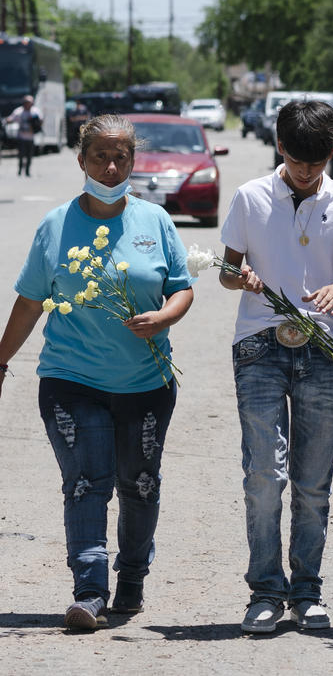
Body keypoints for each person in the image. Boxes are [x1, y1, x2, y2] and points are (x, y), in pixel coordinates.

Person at [0, 114, 194, 630]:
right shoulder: (56, 225)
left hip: (146, 384)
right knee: (87, 482)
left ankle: (131, 579)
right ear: (80, 159)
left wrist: (166, 317)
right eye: (100, 157)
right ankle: (89, 589)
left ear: (134, 161)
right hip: (71, 380)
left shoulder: (156, 221)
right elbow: (30, 301)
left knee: (141, 484)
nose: (111, 167)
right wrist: (0, 360)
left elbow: (182, 286)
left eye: (121, 157)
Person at [219, 100, 333, 634]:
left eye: (317, 160)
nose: (307, 170)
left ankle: (307, 590)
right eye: (297, 158)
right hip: (259, 347)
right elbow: (226, 271)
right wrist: (244, 281)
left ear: (332, 151)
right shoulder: (250, 196)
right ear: (280, 147)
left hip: (322, 351)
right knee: (264, 476)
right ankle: (265, 590)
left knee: (313, 481)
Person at [6, 94, 42, 176]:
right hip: (21, 137)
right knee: (21, 155)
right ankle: (19, 170)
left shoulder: (35, 111)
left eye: (29, 102)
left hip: (31, 137)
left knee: (29, 155)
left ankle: (27, 171)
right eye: (26, 102)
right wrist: (7, 120)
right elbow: (11, 118)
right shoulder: (19, 111)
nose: (27, 104)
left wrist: (35, 123)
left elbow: (40, 121)